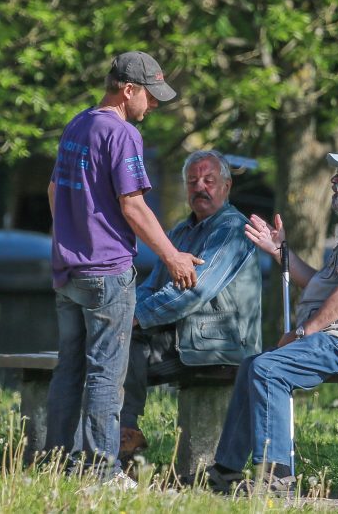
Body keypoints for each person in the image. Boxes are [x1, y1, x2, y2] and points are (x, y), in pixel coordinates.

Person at [207, 147, 338, 494]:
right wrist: (279, 252)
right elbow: (322, 283)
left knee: (268, 369)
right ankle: (225, 471)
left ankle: (276, 477)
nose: (335, 179)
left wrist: (304, 331)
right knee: (253, 365)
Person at [45, 51, 203, 486]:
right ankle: (101, 470)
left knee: (69, 369)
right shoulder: (122, 134)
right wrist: (171, 255)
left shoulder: (78, 124)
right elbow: (132, 205)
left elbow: (55, 190)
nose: (153, 105)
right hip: (107, 271)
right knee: (106, 374)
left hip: (68, 271)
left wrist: (67, 241)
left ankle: (57, 464)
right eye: (150, 97)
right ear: (128, 89)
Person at [118, 150, 262, 464]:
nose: (200, 187)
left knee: (123, 344)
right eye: (193, 181)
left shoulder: (231, 230)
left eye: (209, 180)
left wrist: (136, 319)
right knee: (108, 346)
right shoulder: (180, 232)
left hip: (221, 345)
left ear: (226, 187)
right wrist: (124, 315)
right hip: (182, 337)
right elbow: (151, 286)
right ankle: (112, 442)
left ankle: (123, 439)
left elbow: (194, 293)